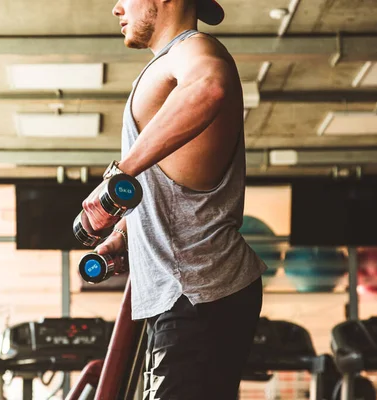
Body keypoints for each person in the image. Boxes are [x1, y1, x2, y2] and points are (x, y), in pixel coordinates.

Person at [81, 0, 268, 399]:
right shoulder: (167, 65)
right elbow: (168, 181)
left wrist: (119, 175)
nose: (116, 8)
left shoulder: (192, 49)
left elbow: (209, 85)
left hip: (199, 291)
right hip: (188, 294)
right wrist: (126, 234)